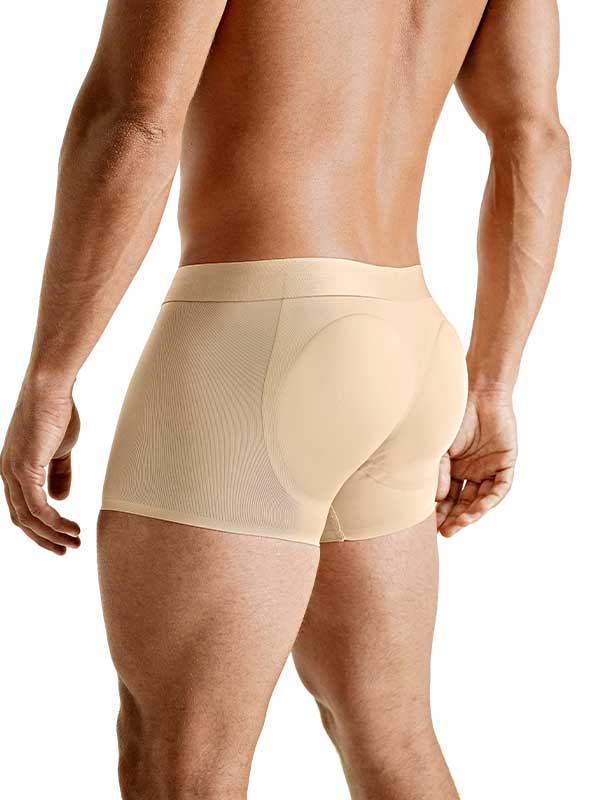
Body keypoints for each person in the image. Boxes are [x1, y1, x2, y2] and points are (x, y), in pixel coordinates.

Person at [1, 0, 570, 797]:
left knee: (179, 757)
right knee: (387, 729)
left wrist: (51, 375)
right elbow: (533, 137)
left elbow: (134, 122)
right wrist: (492, 382)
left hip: (257, 338)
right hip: (410, 341)